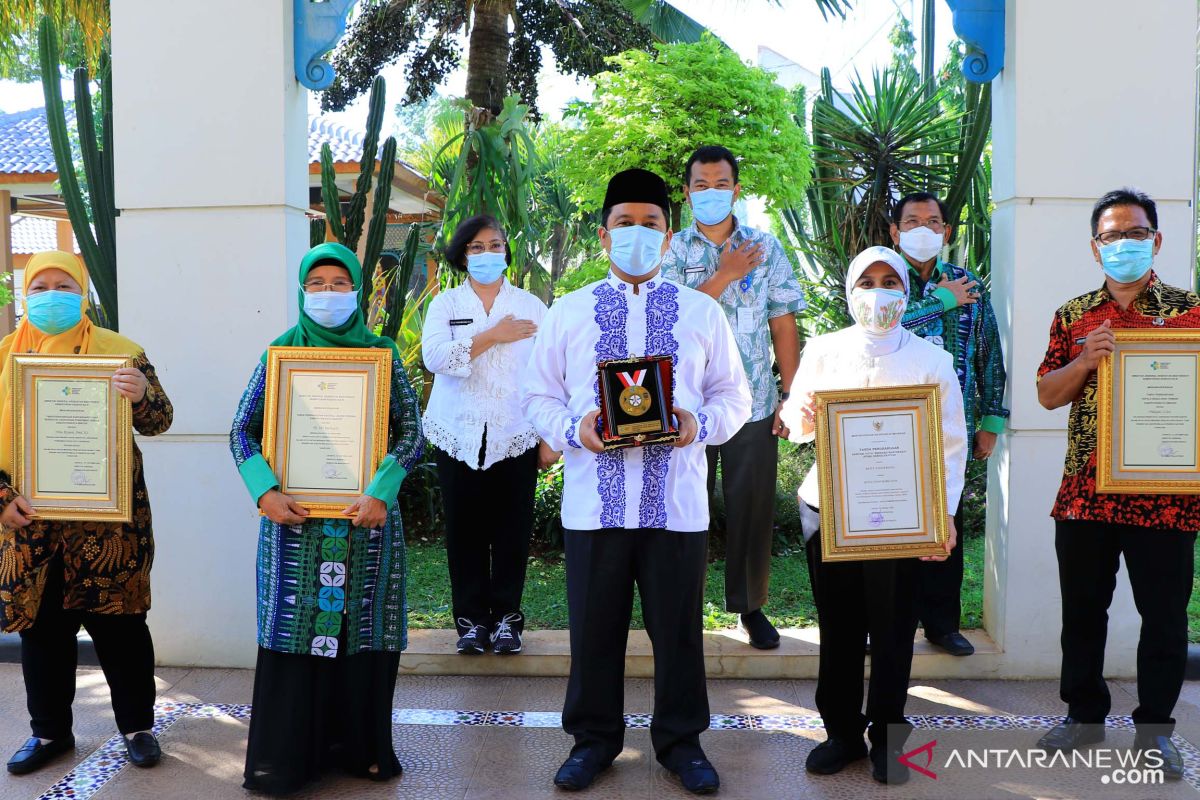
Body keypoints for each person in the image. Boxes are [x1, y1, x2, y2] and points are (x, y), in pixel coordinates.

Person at [523, 168, 751, 794]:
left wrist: (693, 423)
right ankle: (593, 741)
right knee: (594, 629)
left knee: (678, 631)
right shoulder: (568, 314)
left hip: (675, 504)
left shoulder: (702, 312)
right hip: (594, 505)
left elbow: (737, 398)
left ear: (669, 237)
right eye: (625, 223)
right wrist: (577, 428)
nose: (637, 235)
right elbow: (536, 395)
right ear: (603, 236)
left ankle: (682, 743)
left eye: (651, 224)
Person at [230, 242, 424, 795]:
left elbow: (411, 431)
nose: (329, 295)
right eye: (317, 284)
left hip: (366, 524)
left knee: (362, 635)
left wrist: (382, 491)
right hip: (294, 528)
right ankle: (289, 760)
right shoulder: (279, 356)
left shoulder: (381, 354)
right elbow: (241, 431)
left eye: (340, 284)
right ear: (301, 292)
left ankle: (361, 751)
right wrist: (264, 491)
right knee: (293, 636)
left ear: (358, 291)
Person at [780, 246, 965, 785]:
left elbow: (950, 444)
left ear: (907, 293)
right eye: (867, 282)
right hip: (829, 508)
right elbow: (795, 420)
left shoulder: (932, 359)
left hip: (902, 514)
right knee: (838, 625)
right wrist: (804, 413)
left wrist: (943, 515)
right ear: (850, 290)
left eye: (891, 282)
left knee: (893, 625)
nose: (878, 293)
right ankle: (840, 732)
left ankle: (888, 733)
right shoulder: (824, 349)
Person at [1035, 188, 1199, 780]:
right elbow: (1046, 395)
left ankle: (1155, 730)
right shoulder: (1073, 315)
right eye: (1111, 236)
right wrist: (1084, 361)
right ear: (1094, 246)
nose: (1122, 244)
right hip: (1084, 494)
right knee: (1083, 611)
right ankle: (1083, 714)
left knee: (1165, 617)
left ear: (1156, 240)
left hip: (1166, 495)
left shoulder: (1191, 313)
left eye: (1134, 233)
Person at [1, 251, 173, 775]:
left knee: (122, 631)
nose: (52, 296)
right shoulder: (6, 356)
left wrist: (142, 395)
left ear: (82, 293)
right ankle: (49, 732)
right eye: (41, 285)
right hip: (30, 526)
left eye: (64, 285)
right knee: (43, 634)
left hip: (110, 527)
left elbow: (160, 421)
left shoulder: (121, 353)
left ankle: (138, 728)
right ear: (26, 292)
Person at [661, 145, 805, 650]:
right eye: (701, 185)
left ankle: (751, 608)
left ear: (736, 190)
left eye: (721, 184)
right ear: (686, 192)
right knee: (684, 508)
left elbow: (783, 324)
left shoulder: (766, 248)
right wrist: (724, 273)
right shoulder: (669, 250)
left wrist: (792, 394)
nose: (711, 193)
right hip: (684, 408)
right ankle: (683, 609)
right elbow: (669, 318)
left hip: (754, 403)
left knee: (752, 509)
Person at [422, 215, 552, 656]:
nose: (486, 254)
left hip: (515, 432)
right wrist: (493, 335)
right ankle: (471, 624)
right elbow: (435, 356)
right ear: (462, 255)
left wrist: (550, 436)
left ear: (506, 252)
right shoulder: (445, 305)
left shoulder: (532, 306)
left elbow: (552, 371)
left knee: (512, 532)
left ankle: (507, 622)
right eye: (476, 248)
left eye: (495, 245)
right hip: (455, 432)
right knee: (464, 533)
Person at [889, 191, 1009, 657]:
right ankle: (880, 623)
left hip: (948, 429)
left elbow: (989, 353)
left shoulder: (969, 284)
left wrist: (991, 420)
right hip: (888, 426)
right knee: (885, 525)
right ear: (895, 232)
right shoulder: (880, 278)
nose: (924, 229)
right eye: (912, 221)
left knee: (945, 523)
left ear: (946, 232)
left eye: (933, 222)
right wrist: (940, 301)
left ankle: (941, 623)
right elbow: (879, 326)